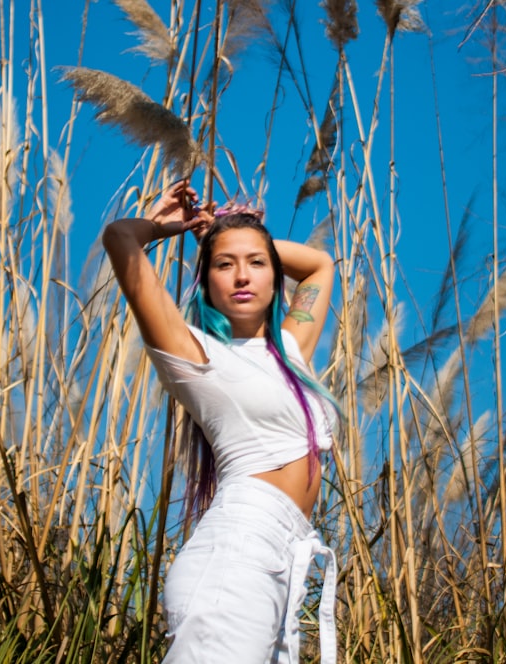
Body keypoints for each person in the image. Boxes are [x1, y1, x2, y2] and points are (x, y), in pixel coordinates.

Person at [102, 179, 339, 663]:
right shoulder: (195, 353)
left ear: (275, 276)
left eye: (257, 264)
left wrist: (235, 233)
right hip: (236, 557)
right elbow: (119, 239)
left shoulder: (290, 350)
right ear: (206, 280)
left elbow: (319, 265)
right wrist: (165, 225)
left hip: (282, 564)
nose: (242, 276)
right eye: (224, 265)